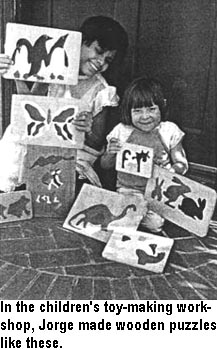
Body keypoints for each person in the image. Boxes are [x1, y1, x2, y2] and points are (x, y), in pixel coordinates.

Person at [0, 16, 128, 194]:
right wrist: (13, 71)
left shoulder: (102, 90)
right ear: (80, 41)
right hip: (30, 146)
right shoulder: (51, 66)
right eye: (98, 51)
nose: (101, 62)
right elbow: (28, 108)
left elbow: (95, 142)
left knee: (63, 186)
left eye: (108, 60)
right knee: (17, 185)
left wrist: (86, 128)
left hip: (72, 158)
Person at [100, 77, 188, 232]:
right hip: (129, 189)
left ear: (162, 106)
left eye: (151, 109)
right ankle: (131, 212)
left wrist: (173, 172)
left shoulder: (169, 130)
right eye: (137, 111)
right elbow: (105, 165)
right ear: (128, 112)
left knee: (155, 224)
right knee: (136, 214)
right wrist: (110, 153)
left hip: (158, 191)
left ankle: (133, 214)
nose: (145, 116)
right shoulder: (121, 131)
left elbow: (181, 163)